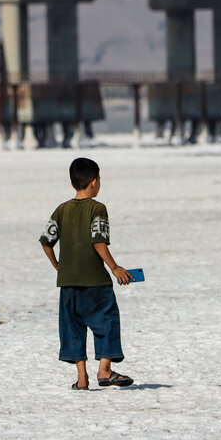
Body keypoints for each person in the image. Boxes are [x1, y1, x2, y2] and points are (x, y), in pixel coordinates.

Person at [39, 157, 135, 390]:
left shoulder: (61, 210)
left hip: (68, 283)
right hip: (95, 282)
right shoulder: (97, 208)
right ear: (94, 182)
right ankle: (105, 370)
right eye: (99, 179)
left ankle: (82, 379)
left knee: (73, 327)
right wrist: (114, 267)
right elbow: (98, 241)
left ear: (74, 183)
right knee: (107, 321)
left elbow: (46, 241)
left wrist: (58, 266)